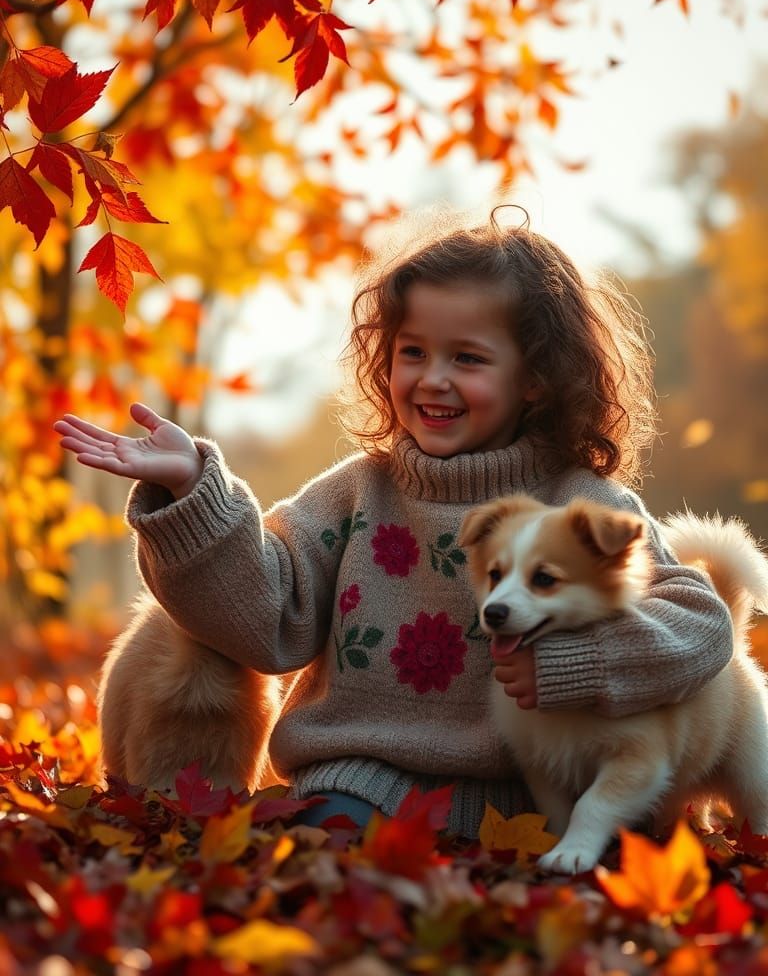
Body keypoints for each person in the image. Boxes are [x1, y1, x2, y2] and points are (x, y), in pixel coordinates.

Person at [54, 206, 732, 838]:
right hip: (364, 787)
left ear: (535, 379)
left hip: (543, 802)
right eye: (413, 353)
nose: (433, 378)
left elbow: (701, 626)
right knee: (318, 865)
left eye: (466, 358)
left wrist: (580, 662)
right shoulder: (355, 496)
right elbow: (263, 616)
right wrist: (191, 490)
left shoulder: (581, 504)